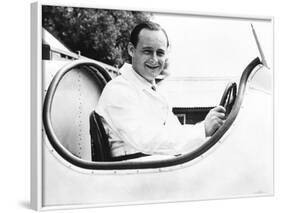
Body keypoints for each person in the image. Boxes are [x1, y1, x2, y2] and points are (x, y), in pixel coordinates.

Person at [95, 21, 225, 160]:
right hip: (134, 172)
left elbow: (174, 133)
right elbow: (147, 141)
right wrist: (202, 130)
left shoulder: (153, 90)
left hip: (153, 167)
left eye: (160, 53)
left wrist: (206, 129)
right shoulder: (119, 90)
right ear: (131, 50)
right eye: (147, 51)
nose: (154, 59)